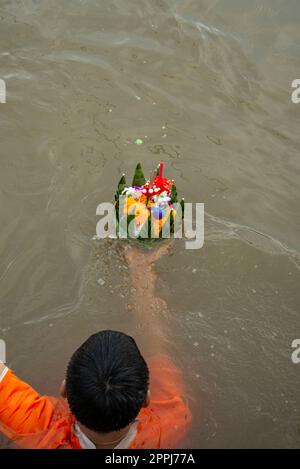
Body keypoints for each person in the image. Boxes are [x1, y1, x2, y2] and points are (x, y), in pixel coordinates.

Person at [0, 243, 192, 449]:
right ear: (147, 399)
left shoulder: (39, 429)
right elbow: (157, 343)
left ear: (64, 388)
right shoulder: (173, 421)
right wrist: (141, 271)